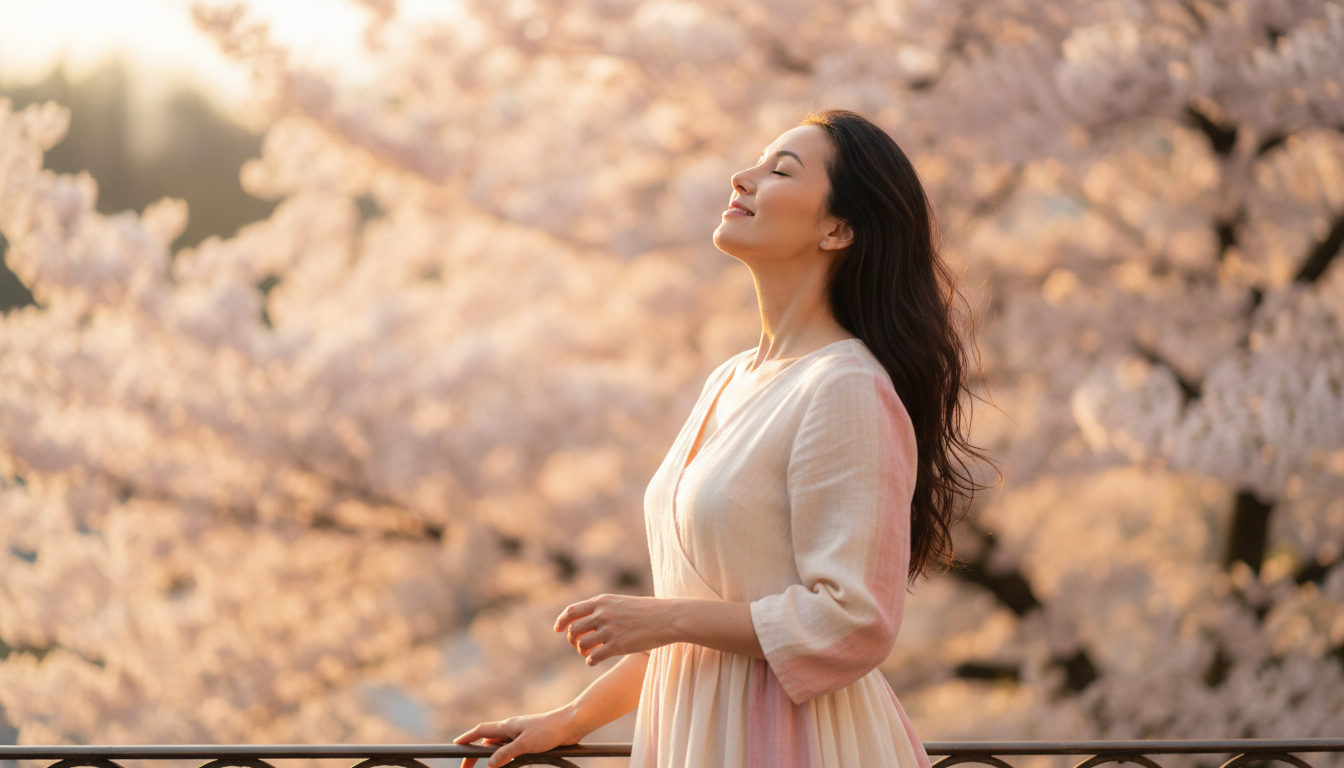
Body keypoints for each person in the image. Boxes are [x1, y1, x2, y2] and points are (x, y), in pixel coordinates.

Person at [455, 109, 987, 768]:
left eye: (780, 170)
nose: (742, 177)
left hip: (791, 742)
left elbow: (855, 619)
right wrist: (572, 718)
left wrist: (664, 617)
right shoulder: (731, 379)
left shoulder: (845, 387)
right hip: (695, 737)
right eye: (756, 162)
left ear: (837, 228)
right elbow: (712, 622)